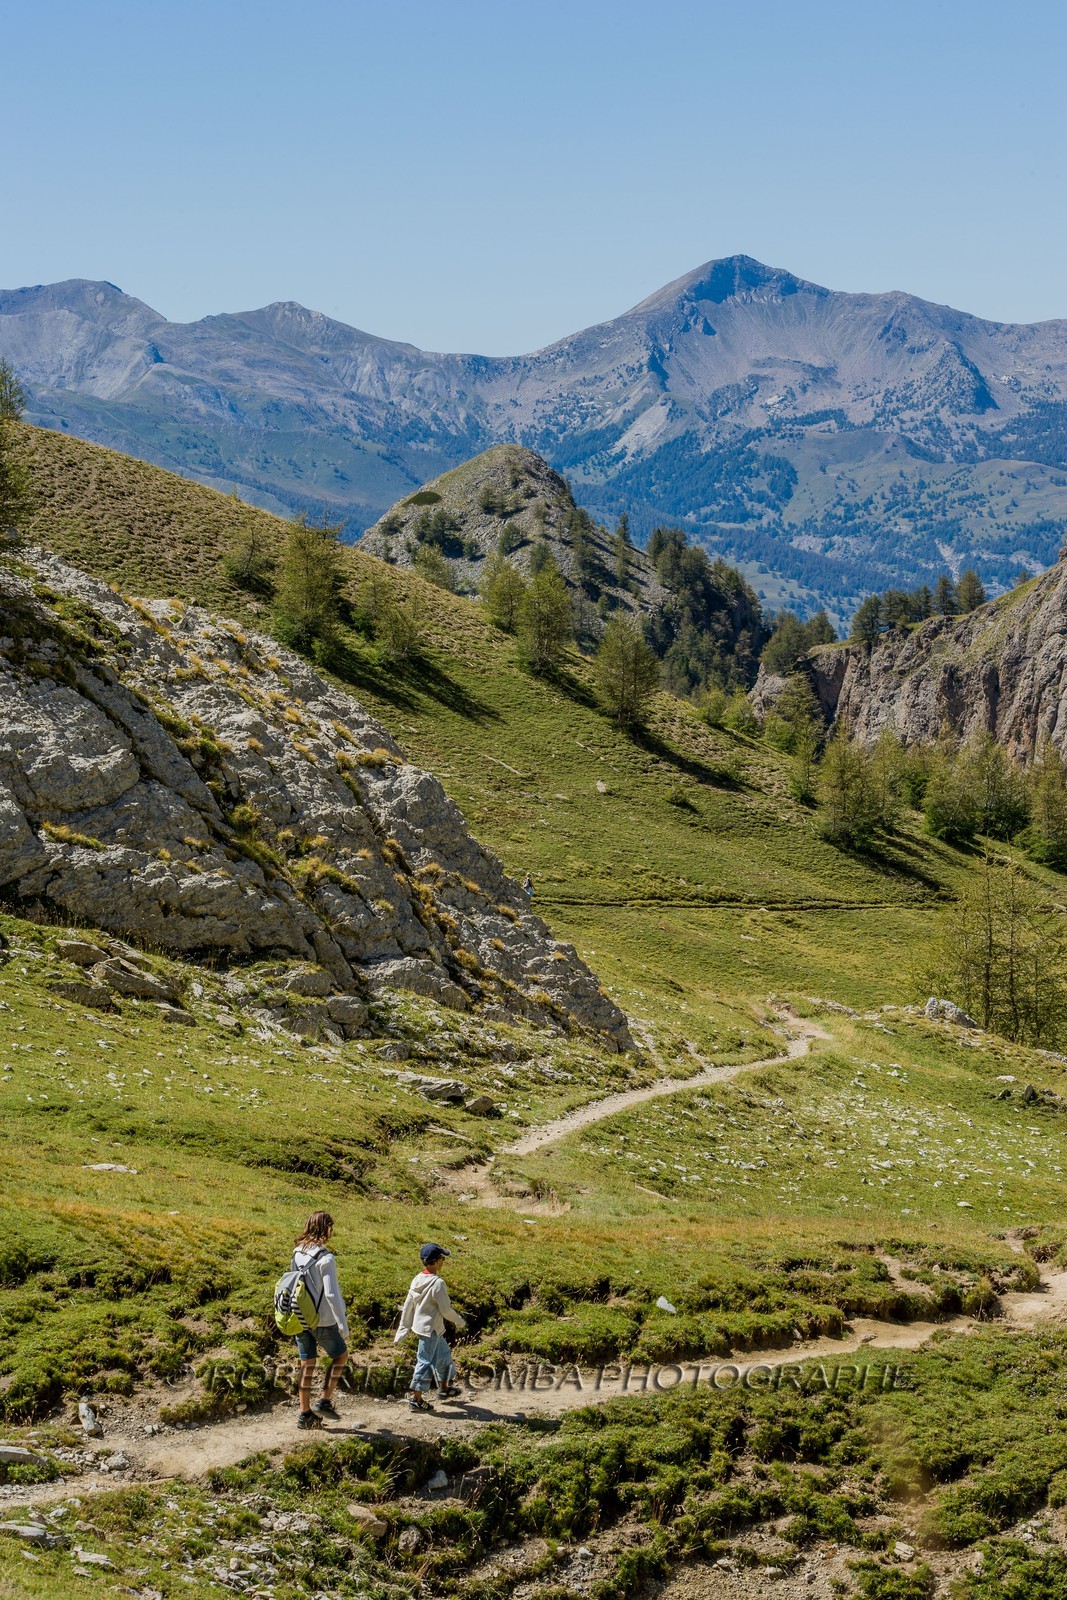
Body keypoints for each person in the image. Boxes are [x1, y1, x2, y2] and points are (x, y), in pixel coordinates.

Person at [291, 1211, 350, 1429]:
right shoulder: (326, 1258)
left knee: (307, 1364)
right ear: (325, 1229)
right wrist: (342, 1324)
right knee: (340, 1355)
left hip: (300, 1317)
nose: (332, 1232)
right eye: (330, 1228)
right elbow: (332, 1294)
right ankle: (324, 1400)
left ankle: (304, 1415)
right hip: (322, 1320)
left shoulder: (297, 1252)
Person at [394, 1243, 467, 1411]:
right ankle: (416, 1399)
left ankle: (444, 1388)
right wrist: (459, 1321)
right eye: (442, 1258)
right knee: (425, 1362)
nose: (443, 1261)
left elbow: (408, 1304)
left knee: (443, 1356)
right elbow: (446, 1310)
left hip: (424, 1327)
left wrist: (403, 1328)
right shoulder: (438, 1284)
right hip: (431, 1330)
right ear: (434, 1262)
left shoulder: (418, 1278)